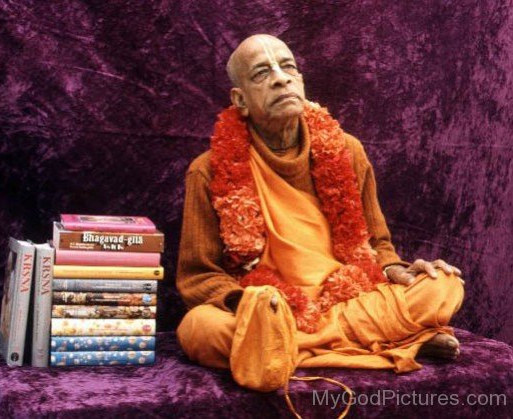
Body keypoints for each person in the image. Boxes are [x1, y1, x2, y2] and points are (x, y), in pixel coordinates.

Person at [176, 34, 464, 392]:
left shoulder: (347, 151)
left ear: (300, 81)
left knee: (442, 288)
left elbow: (377, 244)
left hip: (348, 297)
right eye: (262, 73)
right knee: (199, 329)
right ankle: (398, 341)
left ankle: (284, 350)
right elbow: (198, 276)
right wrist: (250, 304)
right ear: (241, 100)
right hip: (271, 308)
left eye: (288, 68)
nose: (280, 78)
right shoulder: (209, 170)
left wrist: (400, 272)